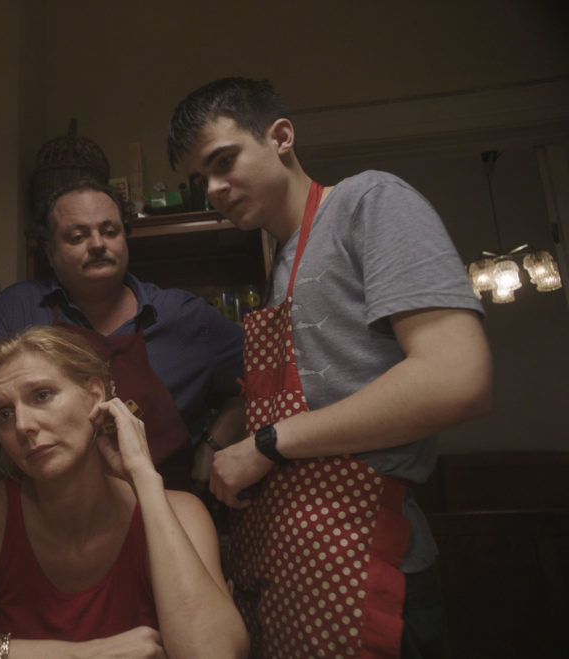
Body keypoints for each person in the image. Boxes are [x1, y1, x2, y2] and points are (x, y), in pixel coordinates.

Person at [166, 77, 495, 658]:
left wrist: (267, 445)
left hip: (364, 551)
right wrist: (226, 437)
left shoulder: (369, 202)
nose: (213, 190)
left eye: (223, 161)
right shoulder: (279, 264)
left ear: (281, 137)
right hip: (295, 562)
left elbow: (456, 379)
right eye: (199, 180)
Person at [0, 326, 249, 659]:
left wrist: (145, 477)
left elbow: (211, 653)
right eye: (4, 414)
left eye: (42, 395)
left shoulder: (181, 513)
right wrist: (75, 656)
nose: (23, 425)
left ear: (95, 396)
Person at [0, 178, 245, 491]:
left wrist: (215, 443)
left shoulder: (185, 316)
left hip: (166, 507)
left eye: (110, 231)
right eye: (77, 237)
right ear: (50, 253)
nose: (97, 244)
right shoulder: (19, 308)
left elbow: (265, 377)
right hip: (43, 513)